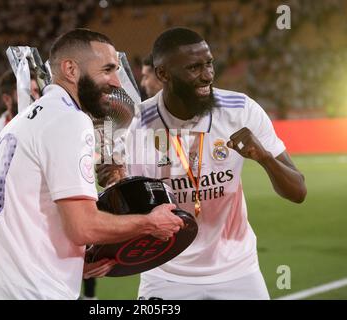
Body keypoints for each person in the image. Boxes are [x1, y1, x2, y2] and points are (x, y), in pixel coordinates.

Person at [0, 28, 184, 300]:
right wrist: (150, 223)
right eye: (107, 70)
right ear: (71, 69)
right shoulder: (69, 119)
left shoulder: (18, 124)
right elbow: (83, 227)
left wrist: (64, 261)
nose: (117, 82)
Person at [121, 27, 307, 300]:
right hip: (165, 273)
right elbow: (132, 212)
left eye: (209, 63)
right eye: (194, 67)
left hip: (237, 269)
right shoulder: (136, 126)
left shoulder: (240, 110)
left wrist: (265, 159)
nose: (207, 75)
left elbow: (298, 192)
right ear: (163, 74)